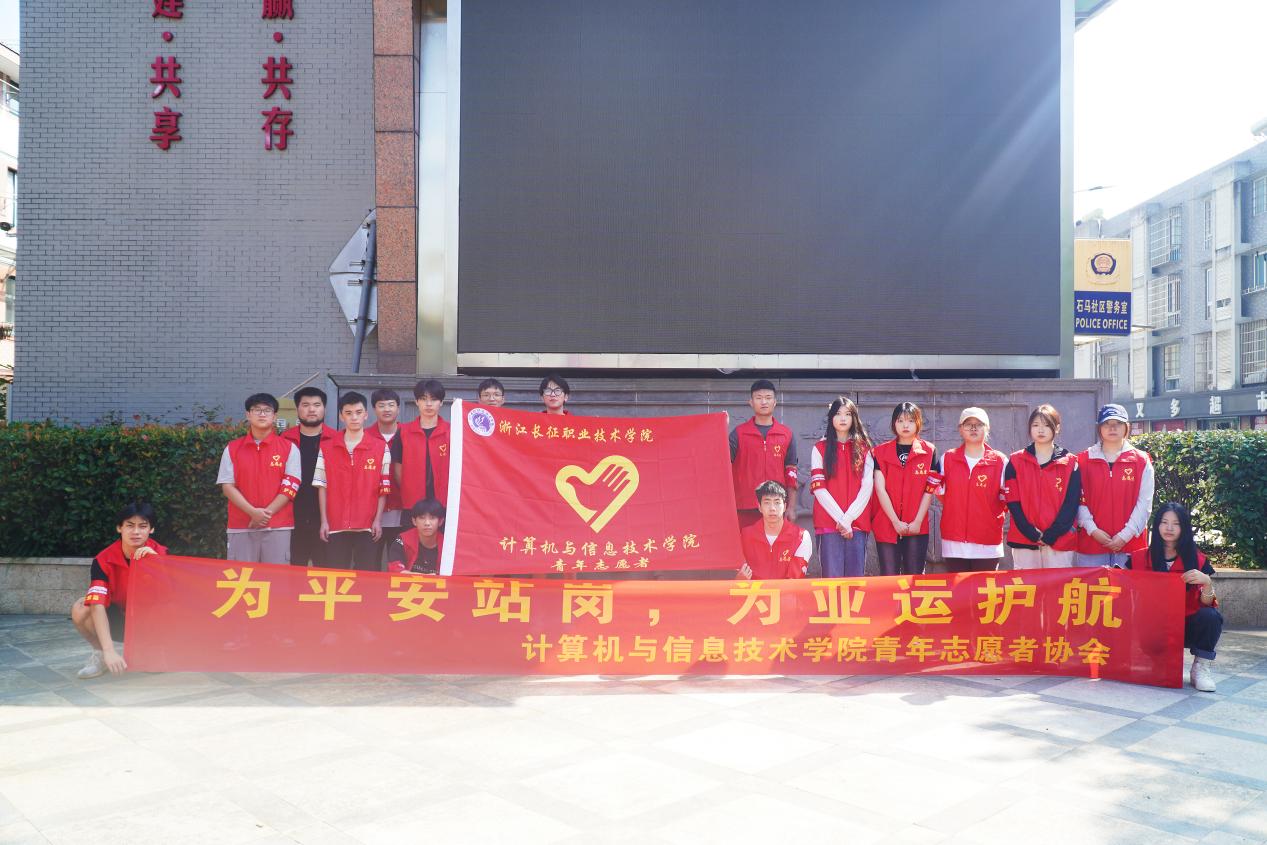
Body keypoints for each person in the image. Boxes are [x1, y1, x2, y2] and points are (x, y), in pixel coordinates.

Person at [1129, 502, 1222, 692]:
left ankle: (1200, 668)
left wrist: (1207, 582)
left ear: (1184, 527)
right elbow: (1120, 587)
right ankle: (1156, 661)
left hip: (1186, 624)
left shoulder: (1198, 560)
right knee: (1161, 675)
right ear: (1157, 525)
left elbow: (1206, 603)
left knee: (1211, 616)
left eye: (1176, 523)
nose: (1169, 528)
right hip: (1154, 626)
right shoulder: (1138, 558)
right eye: (1164, 522)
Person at [70, 503, 166, 679]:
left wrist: (157, 564)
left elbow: (172, 597)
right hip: (120, 618)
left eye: (142, 526)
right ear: (119, 528)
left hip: (150, 621)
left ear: (151, 529)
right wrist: (109, 651)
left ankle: (151, 648)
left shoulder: (162, 554)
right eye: (129, 525)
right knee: (81, 607)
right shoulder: (103, 560)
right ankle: (100, 655)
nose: (136, 532)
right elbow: (97, 604)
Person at [217, 393, 301, 563]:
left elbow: (290, 487)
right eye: (257, 410)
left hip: (278, 526)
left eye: (267, 410)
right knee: (241, 577)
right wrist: (253, 513)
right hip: (241, 525)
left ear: (274, 416)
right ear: (248, 415)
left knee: (276, 577)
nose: (262, 414)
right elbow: (227, 486)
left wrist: (264, 516)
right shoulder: (232, 448)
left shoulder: (289, 448)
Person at [316, 392, 393, 570]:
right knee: (336, 576)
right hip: (335, 525)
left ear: (366, 414)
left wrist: (377, 520)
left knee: (366, 576)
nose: (354, 417)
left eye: (358, 412)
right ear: (341, 416)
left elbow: (383, 489)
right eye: (349, 413)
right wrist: (324, 521)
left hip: (367, 526)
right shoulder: (327, 447)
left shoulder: (380, 447)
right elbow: (321, 486)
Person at [1005, 404, 1082, 569]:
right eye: (1035, 425)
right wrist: (1029, 531)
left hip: (1059, 540)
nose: (1041, 430)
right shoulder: (1016, 461)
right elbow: (1012, 501)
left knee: (1058, 585)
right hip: (1024, 539)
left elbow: (1071, 503)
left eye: (1047, 425)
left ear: (1057, 428)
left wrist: (1052, 534)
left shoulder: (1070, 462)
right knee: (1025, 584)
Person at [1077, 403, 1154, 568]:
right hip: (1091, 544)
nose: (1112, 428)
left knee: (1128, 586)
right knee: (1092, 586)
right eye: (1106, 423)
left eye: (1118, 423)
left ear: (1127, 427)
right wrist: (1093, 530)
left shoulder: (1141, 461)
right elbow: (1078, 500)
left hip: (1130, 545)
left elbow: (1145, 503)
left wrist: (1125, 535)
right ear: (1099, 428)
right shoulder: (1083, 460)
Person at [933, 407, 1008, 572]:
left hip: (987, 543)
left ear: (987, 428)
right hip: (954, 542)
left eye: (979, 424)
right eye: (968, 424)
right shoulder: (948, 459)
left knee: (985, 588)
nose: (973, 428)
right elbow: (939, 491)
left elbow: (1006, 499)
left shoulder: (1000, 461)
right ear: (960, 429)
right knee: (957, 588)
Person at [809, 396, 874, 577]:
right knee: (831, 579)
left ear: (854, 418)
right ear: (831, 418)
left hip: (857, 524)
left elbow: (867, 487)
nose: (843, 418)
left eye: (848, 414)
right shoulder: (819, 448)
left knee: (855, 581)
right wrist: (841, 520)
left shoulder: (865, 449)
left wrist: (849, 519)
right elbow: (819, 488)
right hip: (828, 523)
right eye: (838, 414)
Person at [871, 402, 936, 576]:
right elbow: (880, 489)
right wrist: (895, 521)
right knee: (889, 577)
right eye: (900, 421)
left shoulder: (929, 451)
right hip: (887, 523)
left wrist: (917, 521)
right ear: (894, 424)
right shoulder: (880, 452)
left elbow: (929, 490)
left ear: (918, 423)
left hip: (916, 524)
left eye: (910, 421)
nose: (905, 425)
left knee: (914, 578)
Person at [730, 379, 799, 528]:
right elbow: (721, 464)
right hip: (744, 508)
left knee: (774, 543)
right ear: (751, 402)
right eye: (759, 398)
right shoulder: (738, 434)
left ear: (775, 402)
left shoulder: (786, 434)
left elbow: (791, 473)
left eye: (768, 398)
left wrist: (791, 507)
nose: (763, 402)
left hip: (776, 507)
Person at [284, 386, 337, 567]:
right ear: (297, 409)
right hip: (292, 517)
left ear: (324, 408)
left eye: (317, 405)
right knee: (293, 570)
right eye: (305, 405)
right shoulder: (285, 440)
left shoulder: (337, 440)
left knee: (325, 571)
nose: (312, 409)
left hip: (327, 518)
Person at [391, 379, 451, 510]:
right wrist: (409, 489)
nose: (428, 404)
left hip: (444, 501)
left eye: (433, 399)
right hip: (412, 502)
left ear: (441, 402)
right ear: (416, 401)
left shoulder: (451, 432)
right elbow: (398, 469)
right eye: (423, 399)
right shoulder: (403, 432)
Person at [738, 481, 811, 580]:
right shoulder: (744, 536)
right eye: (767, 503)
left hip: (786, 590)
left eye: (777, 502)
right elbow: (734, 578)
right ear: (759, 507)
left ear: (785, 506)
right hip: (754, 590)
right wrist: (738, 579)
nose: (772, 508)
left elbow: (794, 580)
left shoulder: (801, 537)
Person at [371, 388, 406, 556]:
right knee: (369, 563)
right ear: (374, 409)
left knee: (400, 562)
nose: (387, 409)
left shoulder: (409, 435)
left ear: (398, 408)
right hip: (371, 514)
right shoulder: (364, 436)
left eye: (391, 405)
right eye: (381, 405)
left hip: (404, 512)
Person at [387, 498, 446, 574]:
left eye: (432, 518)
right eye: (422, 518)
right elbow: (394, 566)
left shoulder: (448, 544)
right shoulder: (403, 539)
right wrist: (417, 576)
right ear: (414, 521)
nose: (427, 523)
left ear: (440, 521)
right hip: (408, 581)